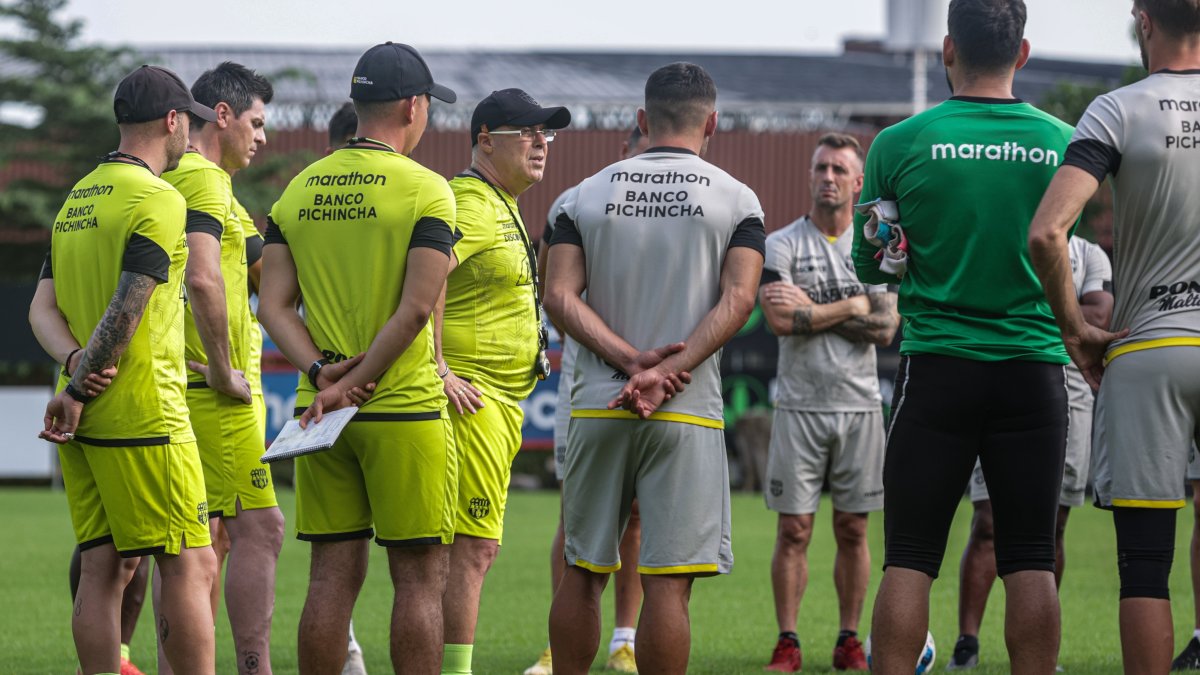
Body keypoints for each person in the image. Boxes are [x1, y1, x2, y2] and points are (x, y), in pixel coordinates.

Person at [851, 1, 1075, 672]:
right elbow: (1067, 246)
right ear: (1024, 53)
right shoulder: (1065, 142)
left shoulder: (898, 142)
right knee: (1032, 555)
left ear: (948, 50)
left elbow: (873, 267)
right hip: (1034, 368)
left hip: (938, 368)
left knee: (910, 556)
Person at [545, 61, 766, 674]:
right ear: (713, 123)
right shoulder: (737, 198)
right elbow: (740, 300)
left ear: (642, 120)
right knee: (668, 584)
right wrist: (668, 371)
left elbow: (558, 296)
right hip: (686, 410)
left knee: (583, 572)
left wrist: (626, 361)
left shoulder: (581, 194)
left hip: (597, 404)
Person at [257, 41, 459, 674]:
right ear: (411, 106)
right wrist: (357, 383)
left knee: (330, 577)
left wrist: (322, 374)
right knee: (421, 579)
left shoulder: (296, 190)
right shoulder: (427, 190)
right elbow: (418, 310)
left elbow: (274, 308)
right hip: (401, 407)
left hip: (318, 416)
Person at [1028, 1, 1200, 671]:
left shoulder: (1117, 109)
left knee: (1146, 564)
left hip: (1148, 349)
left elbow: (1046, 232)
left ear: (1142, 20)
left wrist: (1077, 329)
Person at [35, 63, 219, 675]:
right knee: (190, 564)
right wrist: (86, 382)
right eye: (188, 125)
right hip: (144, 415)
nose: (190, 137)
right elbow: (129, 303)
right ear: (171, 121)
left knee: (101, 567)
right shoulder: (160, 197)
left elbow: (42, 308)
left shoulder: (76, 198)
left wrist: (70, 372)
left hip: (78, 417)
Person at [436, 87, 571, 675]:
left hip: (497, 400)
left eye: (548, 134)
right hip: (473, 399)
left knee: (468, 548)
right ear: (486, 139)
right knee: (471, 548)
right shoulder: (470, 200)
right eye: (528, 133)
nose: (542, 143)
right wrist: (436, 369)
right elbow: (422, 279)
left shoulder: (501, 200)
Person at [160, 61, 285, 675]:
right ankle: (253, 668)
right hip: (214, 394)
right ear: (224, 115)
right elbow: (204, 276)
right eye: (257, 123)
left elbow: (266, 272)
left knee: (199, 542)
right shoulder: (204, 181)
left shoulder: (203, 185)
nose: (263, 137)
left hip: (194, 388)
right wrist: (220, 366)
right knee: (261, 530)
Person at [759, 133, 899, 672]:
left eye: (840, 169)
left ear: (858, 182)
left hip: (860, 406)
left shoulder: (877, 245)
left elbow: (886, 328)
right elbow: (777, 320)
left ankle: (848, 639)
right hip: (798, 405)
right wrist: (853, 305)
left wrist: (814, 313)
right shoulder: (782, 244)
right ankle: (788, 640)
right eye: (821, 167)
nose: (829, 178)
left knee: (853, 529)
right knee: (794, 529)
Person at [949, 235, 1112, 670]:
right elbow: (1075, 314)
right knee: (987, 522)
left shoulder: (1088, 253)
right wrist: (1061, 310)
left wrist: (1031, 311)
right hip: (1010, 384)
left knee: (1053, 526)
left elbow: (1100, 313)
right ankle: (967, 642)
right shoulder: (1014, 232)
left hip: (1073, 395)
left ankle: (1041, 649)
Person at [524, 125, 650, 675]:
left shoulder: (691, 201)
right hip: (588, 376)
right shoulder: (576, 202)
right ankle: (560, 645)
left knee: (639, 516)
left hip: (662, 375)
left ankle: (625, 638)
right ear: (625, 149)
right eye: (647, 153)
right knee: (574, 513)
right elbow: (552, 288)